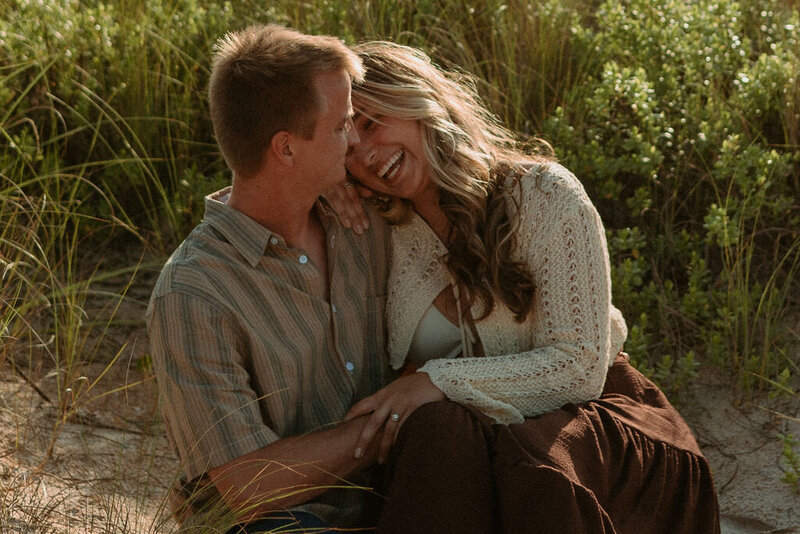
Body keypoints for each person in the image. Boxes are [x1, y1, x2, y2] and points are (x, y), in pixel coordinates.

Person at [328, 41, 721, 533]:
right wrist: (321, 183)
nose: (365, 154)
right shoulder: (380, 223)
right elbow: (255, 192)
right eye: (346, 147)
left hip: (585, 423)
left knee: (527, 466)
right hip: (464, 444)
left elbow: (579, 368)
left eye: (371, 123)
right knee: (438, 435)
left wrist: (433, 382)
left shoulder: (545, 195)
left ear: (416, 100)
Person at [146, 25, 394, 533]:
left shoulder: (367, 224)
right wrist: (391, 422)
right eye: (340, 127)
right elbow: (247, 487)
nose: (353, 141)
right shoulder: (192, 296)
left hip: (400, 504)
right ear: (285, 148)